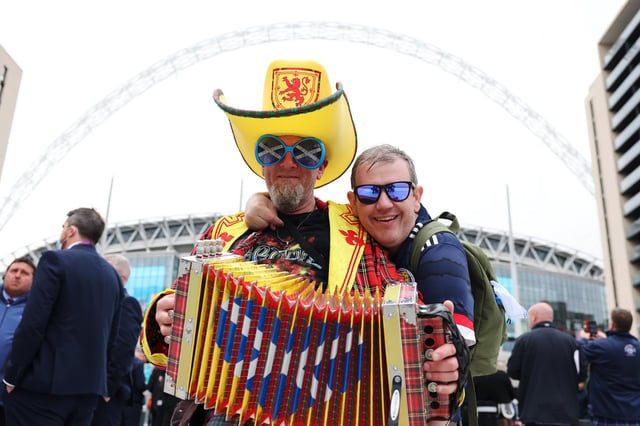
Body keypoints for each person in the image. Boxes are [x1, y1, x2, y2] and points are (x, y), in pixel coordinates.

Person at [141, 59, 464, 425]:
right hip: (224, 411)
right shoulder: (224, 233)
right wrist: (161, 315)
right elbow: (168, 343)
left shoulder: (354, 232)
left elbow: (407, 318)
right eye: (273, 149)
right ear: (260, 162)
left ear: (322, 166)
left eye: (306, 151)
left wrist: (440, 361)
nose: (289, 162)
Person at [3, 207, 124, 426]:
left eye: (63, 228)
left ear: (71, 231)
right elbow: (112, 336)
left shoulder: (55, 261)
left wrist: (12, 374)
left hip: (43, 389)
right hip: (87, 393)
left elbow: (33, 324)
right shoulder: (112, 276)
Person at [507, 302, 587, 426]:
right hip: (566, 413)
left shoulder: (524, 340)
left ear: (534, 318)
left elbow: (513, 371)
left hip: (533, 413)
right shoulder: (572, 342)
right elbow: (581, 375)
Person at [92, 253, 144, 426]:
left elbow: (123, 349)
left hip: (105, 396)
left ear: (121, 277)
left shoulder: (127, 303)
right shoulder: (97, 302)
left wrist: (107, 389)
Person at [581, 308, 640, 425]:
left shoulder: (601, 347)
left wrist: (584, 338)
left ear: (612, 324)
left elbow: (578, 354)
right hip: (635, 415)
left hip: (607, 415)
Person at [0, 256, 35, 425]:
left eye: (25, 273)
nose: (18, 275)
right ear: (4, 275)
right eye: (14, 271)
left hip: (9, 396)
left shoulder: (36, 311)